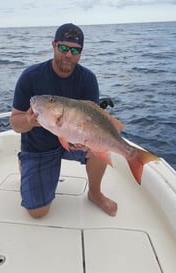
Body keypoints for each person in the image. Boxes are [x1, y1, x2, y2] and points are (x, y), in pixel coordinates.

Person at [10, 23, 117, 218]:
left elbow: (93, 119)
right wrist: (28, 121)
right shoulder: (30, 77)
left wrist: (86, 142)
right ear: (53, 45)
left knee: (101, 146)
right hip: (39, 147)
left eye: (75, 50)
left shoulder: (88, 79)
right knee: (38, 212)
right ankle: (25, 162)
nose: (69, 54)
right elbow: (15, 123)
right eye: (64, 48)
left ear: (81, 53)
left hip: (72, 139)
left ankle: (94, 193)